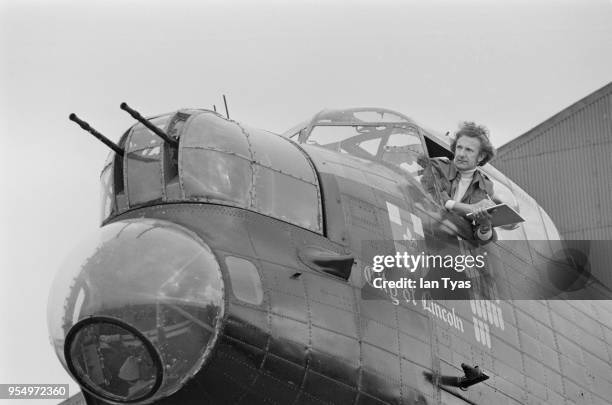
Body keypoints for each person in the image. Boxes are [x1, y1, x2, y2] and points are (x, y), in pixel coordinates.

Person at [421, 122, 497, 241]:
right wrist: (469, 208)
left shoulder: (485, 186)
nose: (461, 154)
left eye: (468, 150)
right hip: (424, 232)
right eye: (459, 147)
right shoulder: (436, 166)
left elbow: (480, 237)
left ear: (481, 156)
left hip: (453, 247)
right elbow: (435, 196)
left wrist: (485, 225)